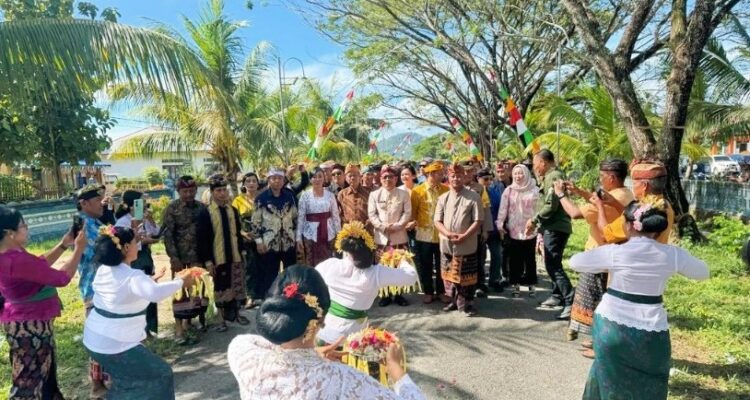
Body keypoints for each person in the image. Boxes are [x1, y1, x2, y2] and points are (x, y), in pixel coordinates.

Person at [570, 202, 709, 400]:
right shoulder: (671, 255)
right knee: (650, 384)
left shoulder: (615, 252)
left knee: (606, 380)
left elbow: (575, 261)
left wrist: (604, 262)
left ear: (628, 225)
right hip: (651, 331)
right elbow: (703, 272)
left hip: (611, 327)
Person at [227, 265, 425, 400]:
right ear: (321, 320)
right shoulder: (345, 380)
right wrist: (395, 369)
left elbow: (260, 342)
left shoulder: (243, 355)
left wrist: (311, 355)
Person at [83, 226, 196, 399]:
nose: (138, 244)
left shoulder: (104, 270)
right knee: (162, 374)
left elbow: (126, 290)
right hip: (115, 344)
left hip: (94, 340)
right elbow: (154, 293)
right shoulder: (133, 276)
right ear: (127, 247)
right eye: (136, 241)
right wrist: (180, 282)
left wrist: (150, 281)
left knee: (126, 380)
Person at [1, 205, 87, 400]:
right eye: (23, 225)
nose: (27, 227)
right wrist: (79, 250)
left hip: (22, 323)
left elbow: (38, 265)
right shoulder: (16, 260)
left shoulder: (11, 256)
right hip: (31, 327)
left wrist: (64, 244)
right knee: (29, 383)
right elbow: (62, 278)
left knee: (44, 376)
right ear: (9, 233)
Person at [554, 159, 634, 356]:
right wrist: (579, 192)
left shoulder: (611, 200)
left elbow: (574, 213)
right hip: (610, 257)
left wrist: (561, 194)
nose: (600, 180)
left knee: (598, 303)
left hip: (601, 259)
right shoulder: (624, 194)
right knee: (601, 302)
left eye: (601, 177)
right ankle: (598, 341)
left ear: (612, 178)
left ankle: (601, 345)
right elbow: (599, 199)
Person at [316, 221, 419, 344]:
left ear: (345, 250)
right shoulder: (376, 273)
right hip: (354, 337)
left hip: (325, 332)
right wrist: (401, 260)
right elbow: (411, 276)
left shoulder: (330, 265)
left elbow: (309, 282)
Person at [526, 149, 575, 320]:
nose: (534, 168)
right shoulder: (553, 175)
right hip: (555, 227)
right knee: (553, 264)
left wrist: (534, 220)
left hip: (555, 227)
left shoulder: (553, 176)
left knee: (553, 265)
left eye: (535, 164)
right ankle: (559, 296)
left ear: (543, 162)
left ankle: (571, 301)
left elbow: (551, 205)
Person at [197, 175, 249, 332]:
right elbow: (203, 238)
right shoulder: (206, 213)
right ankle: (221, 319)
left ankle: (237, 314)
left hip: (235, 255)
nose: (222, 194)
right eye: (218, 190)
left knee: (238, 286)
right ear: (212, 192)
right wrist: (207, 261)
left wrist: (243, 251)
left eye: (224, 190)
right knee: (220, 288)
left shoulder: (232, 210)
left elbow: (238, 234)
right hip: (218, 257)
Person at [162, 176, 208, 344]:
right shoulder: (172, 209)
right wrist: (174, 257)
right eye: (184, 191)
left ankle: (190, 322)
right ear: (178, 191)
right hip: (180, 259)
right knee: (179, 293)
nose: (188, 194)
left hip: (198, 258)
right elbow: (168, 236)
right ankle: (179, 329)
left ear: (196, 190)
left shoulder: (202, 208)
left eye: (191, 191)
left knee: (198, 291)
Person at [74, 183, 109, 397]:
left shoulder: (96, 222)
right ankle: (96, 384)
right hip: (94, 290)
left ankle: (105, 380)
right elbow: (99, 252)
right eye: (98, 200)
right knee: (99, 336)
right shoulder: (82, 226)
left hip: (106, 288)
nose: (102, 203)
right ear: (84, 203)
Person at [434, 163, 482, 316]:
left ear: (465, 177)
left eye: (459, 175)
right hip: (447, 244)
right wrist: (447, 234)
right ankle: (454, 302)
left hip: (466, 244)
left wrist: (465, 235)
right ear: (448, 177)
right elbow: (437, 221)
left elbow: (478, 220)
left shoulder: (473, 196)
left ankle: (467, 305)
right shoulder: (443, 198)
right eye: (453, 176)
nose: (456, 178)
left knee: (466, 278)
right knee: (449, 276)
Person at [114, 190, 162, 337]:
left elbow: (157, 232)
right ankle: (138, 330)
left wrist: (152, 220)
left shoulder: (144, 218)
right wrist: (141, 239)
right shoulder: (123, 222)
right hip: (134, 260)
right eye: (139, 202)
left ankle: (150, 328)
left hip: (146, 257)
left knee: (150, 291)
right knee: (137, 295)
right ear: (131, 205)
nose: (144, 205)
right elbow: (125, 245)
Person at [599, 161, 675, 245]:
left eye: (634, 183)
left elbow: (605, 235)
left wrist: (600, 206)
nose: (633, 187)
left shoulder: (641, 209)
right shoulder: (665, 204)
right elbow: (632, 217)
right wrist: (615, 203)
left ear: (644, 185)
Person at [368, 165, 412, 307]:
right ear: (380, 179)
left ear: (396, 178)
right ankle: (385, 295)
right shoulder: (374, 195)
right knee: (382, 267)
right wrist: (382, 226)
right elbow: (372, 214)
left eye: (391, 177)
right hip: (381, 237)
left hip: (399, 235)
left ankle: (399, 294)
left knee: (399, 266)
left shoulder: (403, 194)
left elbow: (407, 213)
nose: (388, 179)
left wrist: (398, 226)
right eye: (385, 177)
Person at [252, 168, 299, 301]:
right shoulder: (261, 198)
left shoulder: (290, 196)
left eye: (280, 178)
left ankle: (291, 298)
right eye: (274, 178)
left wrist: (296, 236)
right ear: (269, 180)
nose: (277, 181)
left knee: (291, 272)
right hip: (269, 243)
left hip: (289, 242)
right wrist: (259, 242)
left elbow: (296, 218)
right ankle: (270, 300)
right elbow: (255, 222)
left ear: (283, 180)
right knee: (270, 274)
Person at [496, 164, 540, 297]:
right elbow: (503, 209)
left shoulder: (535, 190)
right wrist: (500, 224)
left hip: (530, 229)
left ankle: (531, 285)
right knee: (515, 259)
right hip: (514, 230)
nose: (518, 176)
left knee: (530, 259)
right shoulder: (509, 190)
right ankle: (516, 285)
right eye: (515, 174)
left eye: (520, 173)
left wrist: (537, 225)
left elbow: (539, 209)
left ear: (526, 174)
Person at [410, 161, 450, 304]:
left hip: (441, 234)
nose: (442, 175)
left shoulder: (446, 190)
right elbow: (413, 213)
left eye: (442, 173)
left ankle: (441, 291)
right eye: (439, 174)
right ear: (431, 174)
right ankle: (428, 291)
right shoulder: (417, 191)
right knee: (426, 264)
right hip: (423, 234)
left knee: (442, 264)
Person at [297, 168, 342, 267]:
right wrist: (298, 238)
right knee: (311, 263)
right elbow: (300, 218)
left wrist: (339, 235)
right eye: (314, 177)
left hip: (329, 233)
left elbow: (335, 216)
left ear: (324, 178)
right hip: (310, 235)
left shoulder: (330, 196)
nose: (317, 179)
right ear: (310, 179)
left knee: (330, 262)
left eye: (320, 176)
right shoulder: (305, 196)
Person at [233, 172, 261, 308]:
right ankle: (250, 296)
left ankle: (264, 294)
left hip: (264, 240)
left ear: (258, 183)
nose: (251, 183)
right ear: (243, 184)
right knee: (250, 268)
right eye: (248, 181)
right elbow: (234, 222)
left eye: (254, 181)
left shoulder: (263, 198)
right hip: (247, 241)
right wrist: (244, 233)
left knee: (265, 266)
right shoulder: (238, 201)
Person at [486, 162, 510, 291]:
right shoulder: (475, 191)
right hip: (481, 230)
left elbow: (503, 208)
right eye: (485, 179)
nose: (488, 181)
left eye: (489, 178)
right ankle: (479, 284)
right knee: (481, 258)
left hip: (496, 229)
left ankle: (495, 280)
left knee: (497, 255)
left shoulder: (498, 189)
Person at [337, 164, 373, 233]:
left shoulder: (369, 193)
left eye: (355, 175)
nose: (352, 178)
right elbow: (340, 214)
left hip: (367, 232)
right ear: (345, 178)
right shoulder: (342, 194)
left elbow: (374, 211)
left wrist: (368, 224)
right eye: (350, 176)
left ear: (360, 176)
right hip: (349, 232)